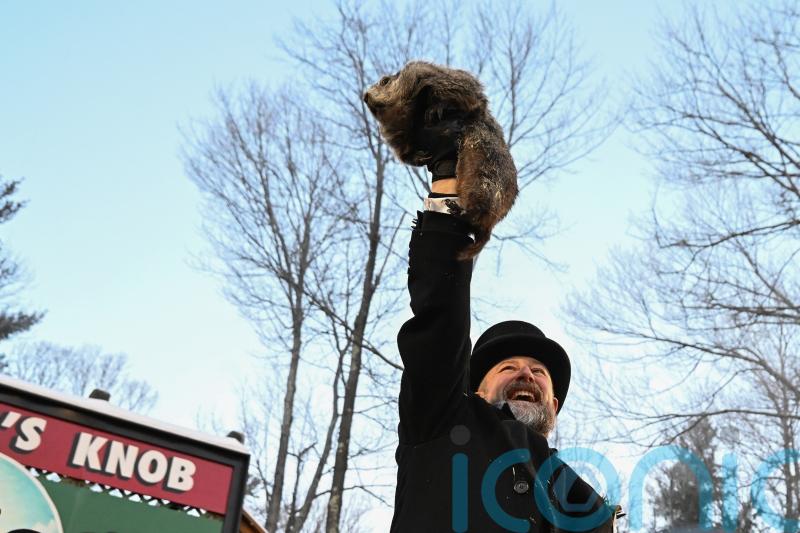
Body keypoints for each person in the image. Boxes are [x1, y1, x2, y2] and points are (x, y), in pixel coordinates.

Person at [389, 127, 621, 532]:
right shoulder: (442, 422)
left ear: (554, 407)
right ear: (475, 390)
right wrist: (451, 184)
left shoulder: (585, 510)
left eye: (539, 371)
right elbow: (440, 326)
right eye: (508, 366)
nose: (526, 373)